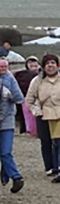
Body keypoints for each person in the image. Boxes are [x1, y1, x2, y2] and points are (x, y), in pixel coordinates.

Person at [25, 54, 60, 182]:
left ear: (57, 65)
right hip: (43, 115)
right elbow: (29, 99)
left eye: (53, 63)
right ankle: (50, 166)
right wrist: (36, 111)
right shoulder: (37, 81)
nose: (50, 66)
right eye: (48, 63)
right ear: (44, 66)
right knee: (46, 142)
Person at [0, 60, 25, 193]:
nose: (3, 68)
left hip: (7, 121)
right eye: (1, 66)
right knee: (4, 154)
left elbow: (20, 98)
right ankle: (6, 171)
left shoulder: (10, 79)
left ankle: (16, 177)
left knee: (5, 152)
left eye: (5, 66)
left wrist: (9, 94)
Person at [13, 56, 40, 135]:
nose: (34, 68)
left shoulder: (19, 75)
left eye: (35, 66)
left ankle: (27, 129)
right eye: (32, 66)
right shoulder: (23, 75)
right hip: (25, 97)